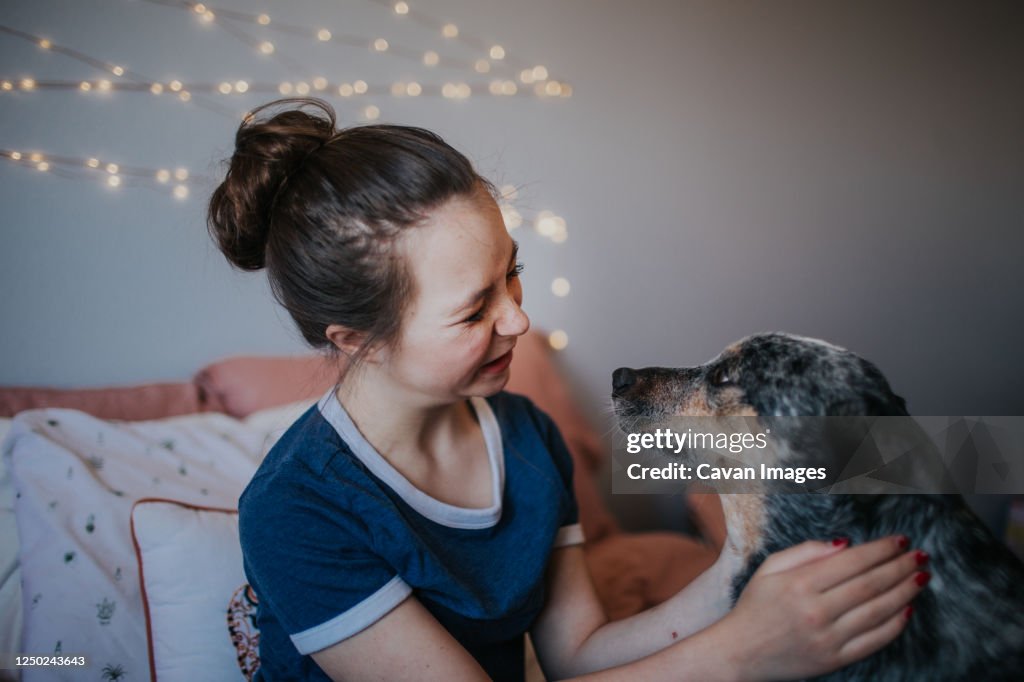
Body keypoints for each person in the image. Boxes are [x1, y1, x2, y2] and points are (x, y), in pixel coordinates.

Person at [207, 98, 929, 682]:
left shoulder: (525, 433)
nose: (519, 319)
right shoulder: (296, 511)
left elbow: (576, 652)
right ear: (356, 339)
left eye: (510, 274)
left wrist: (745, 570)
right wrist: (744, 650)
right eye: (473, 309)